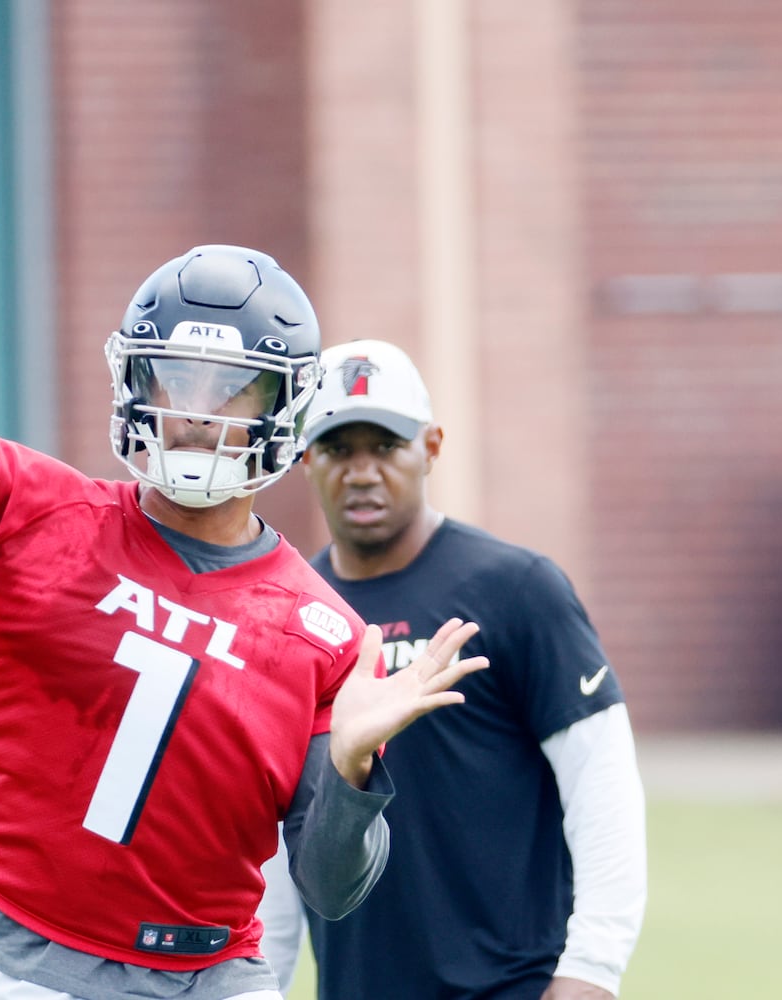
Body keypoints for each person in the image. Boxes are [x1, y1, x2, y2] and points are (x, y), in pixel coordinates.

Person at [0, 133, 489, 1000]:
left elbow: (330, 888)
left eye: (232, 387)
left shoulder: (325, 632)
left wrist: (350, 770)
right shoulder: (19, 508)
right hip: (20, 965)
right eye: (173, 380)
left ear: (287, 406)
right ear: (133, 383)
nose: (194, 414)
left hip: (215, 978)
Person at [266, 339, 648, 999]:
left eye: (384, 446)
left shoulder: (518, 588)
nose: (360, 471)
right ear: (304, 458)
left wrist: (592, 970)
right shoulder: (292, 616)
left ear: (432, 448)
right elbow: (275, 841)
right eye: (336, 448)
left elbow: (602, 782)